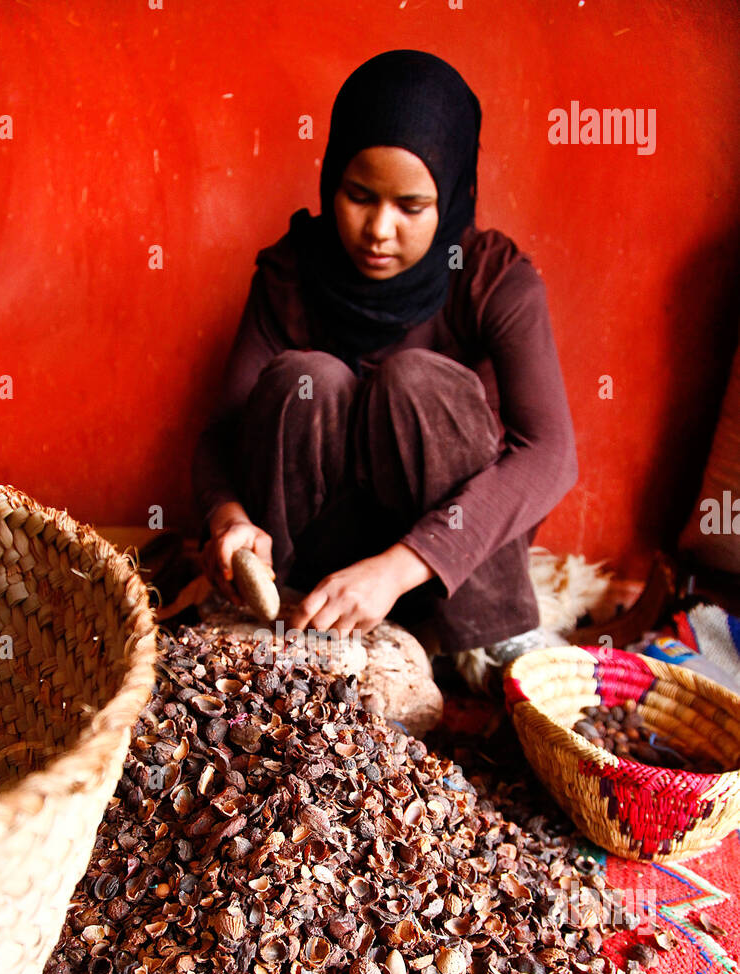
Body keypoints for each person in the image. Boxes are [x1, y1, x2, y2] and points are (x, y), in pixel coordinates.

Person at [192, 48, 578, 677]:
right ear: (331, 179)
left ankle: (481, 636)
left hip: (448, 556)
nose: (378, 229)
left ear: (450, 196)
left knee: (415, 380)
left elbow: (551, 453)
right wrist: (230, 520)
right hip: (317, 561)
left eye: (411, 207)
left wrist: (400, 565)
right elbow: (221, 432)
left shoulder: (491, 279)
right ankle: (286, 614)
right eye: (358, 196)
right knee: (307, 379)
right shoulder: (292, 272)